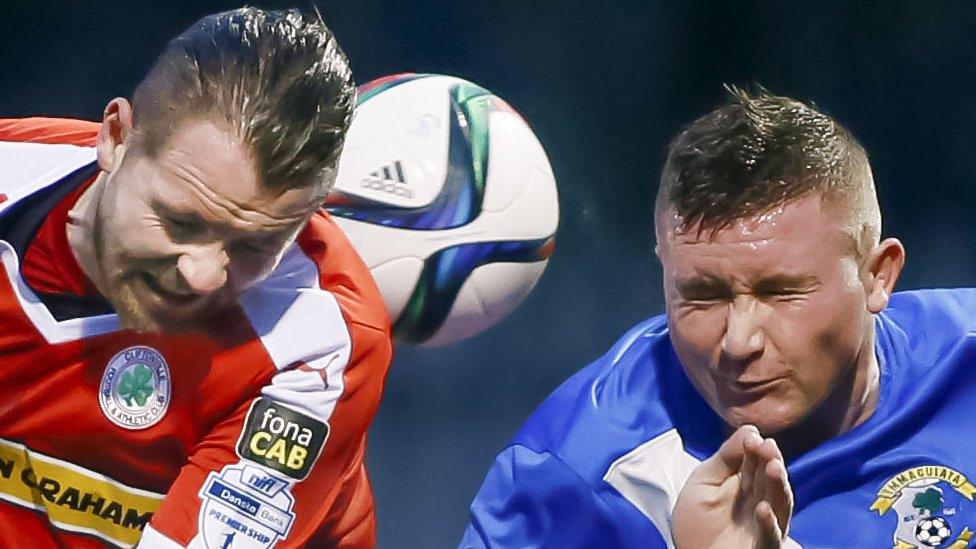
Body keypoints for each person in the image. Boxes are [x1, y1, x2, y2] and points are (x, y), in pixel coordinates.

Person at [462, 87, 976, 548]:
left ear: (877, 277)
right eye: (703, 295)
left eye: (782, 292)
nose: (738, 340)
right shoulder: (578, 477)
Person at [0, 8, 392, 548]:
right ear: (115, 137)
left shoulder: (316, 341)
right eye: (181, 221)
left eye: (256, 245)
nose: (204, 275)